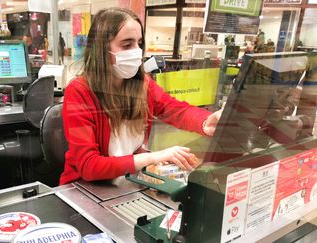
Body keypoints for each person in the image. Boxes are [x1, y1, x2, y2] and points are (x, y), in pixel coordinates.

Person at [60, 8, 221, 185]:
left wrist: (206, 122)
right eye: (127, 45)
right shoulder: (79, 92)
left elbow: (176, 110)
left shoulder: (143, 84)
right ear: (102, 50)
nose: (137, 51)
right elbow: (89, 166)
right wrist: (154, 157)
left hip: (127, 182)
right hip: (86, 189)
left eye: (139, 43)